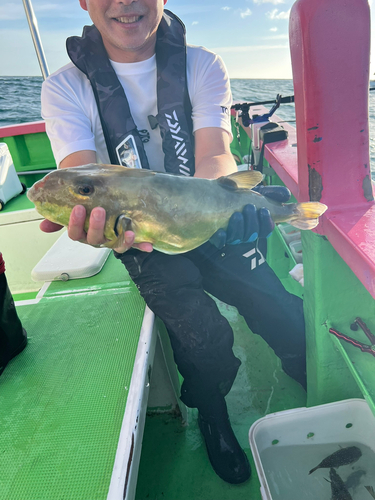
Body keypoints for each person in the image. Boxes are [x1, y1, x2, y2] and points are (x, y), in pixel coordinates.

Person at [40, 0, 306, 485]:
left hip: (209, 213)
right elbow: (81, 174)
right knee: (202, 337)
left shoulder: (202, 64)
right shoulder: (65, 87)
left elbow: (214, 153)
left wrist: (225, 204)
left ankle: (298, 358)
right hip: (142, 238)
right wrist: (88, 217)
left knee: (276, 306)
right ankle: (213, 412)